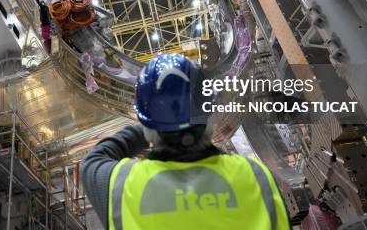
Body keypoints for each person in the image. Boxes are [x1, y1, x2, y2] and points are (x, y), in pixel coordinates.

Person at [81, 53, 291, 229]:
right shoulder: (256, 177)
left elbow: (93, 159)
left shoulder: (122, 186)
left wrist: (151, 123)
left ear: (148, 126)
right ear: (210, 115)